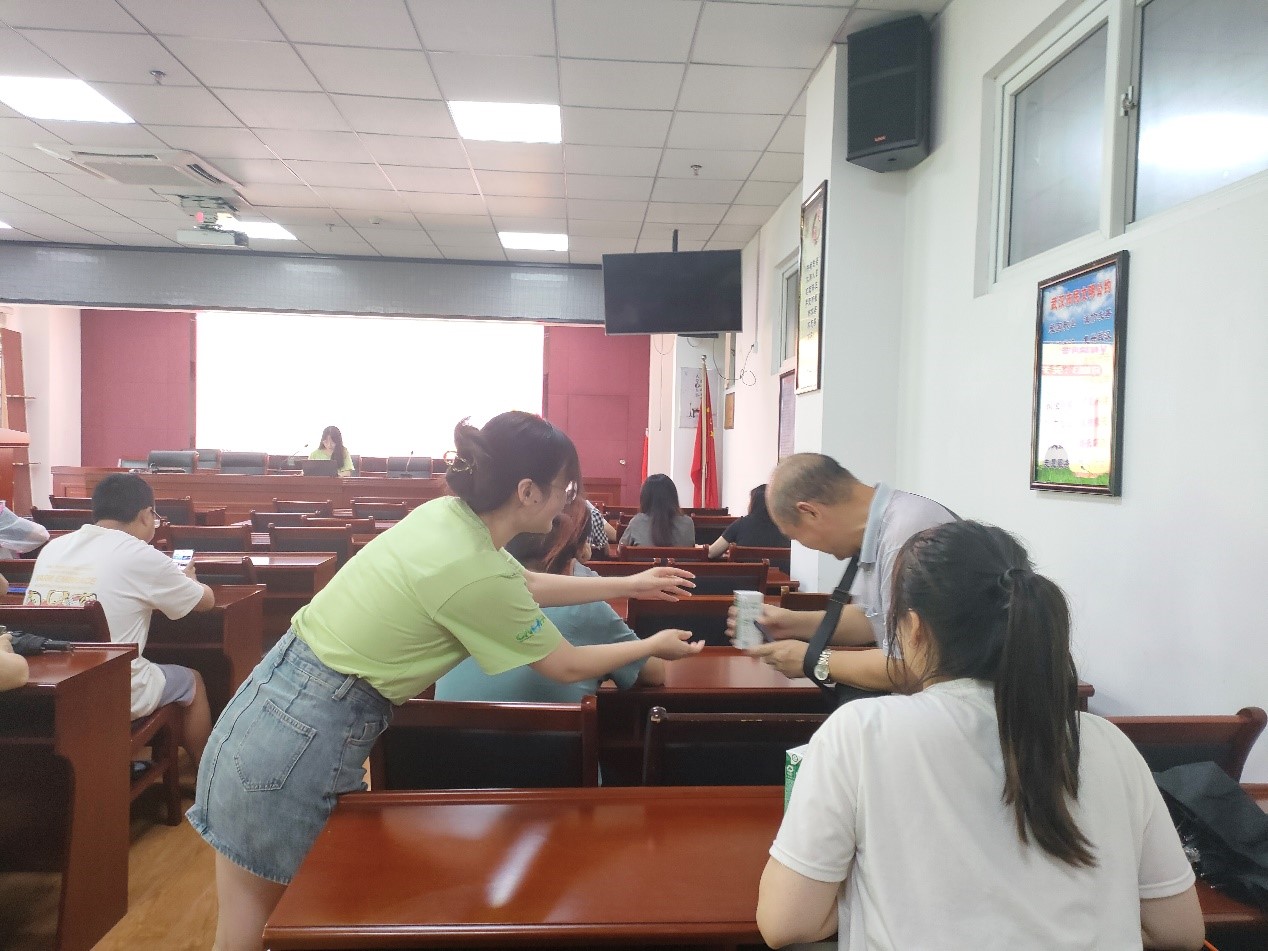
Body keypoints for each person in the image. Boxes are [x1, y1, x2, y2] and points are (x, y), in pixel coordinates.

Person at [189, 411, 701, 951]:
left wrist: (629, 583)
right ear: (527, 491)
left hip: (259, 715)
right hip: (302, 747)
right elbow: (566, 665)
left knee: (243, 927)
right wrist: (650, 644)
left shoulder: (447, 519)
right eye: (564, 490)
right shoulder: (474, 568)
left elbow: (521, 583)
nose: (567, 505)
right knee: (322, 929)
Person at [756, 520, 1204, 951]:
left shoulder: (861, 732)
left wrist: (861, 896)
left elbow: (785, 923)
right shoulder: (1106, 742)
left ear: (914, 628)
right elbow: (1179, 930)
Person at [23, 473, 216, 761]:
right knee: (193, 681)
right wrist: (191, 580)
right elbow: (206, 602)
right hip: (110, 691)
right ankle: (207, 777)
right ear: (146, 515)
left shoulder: (54, 547)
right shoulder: (141, 555)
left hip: (45, 688)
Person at [742, 453, 955, 693]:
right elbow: (874, 619)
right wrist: (791, 623)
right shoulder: (883, 526)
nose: (805, 546)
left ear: (810, 512)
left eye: (795, 536)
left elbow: (914, 666)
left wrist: (814, 660)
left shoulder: (905, 537)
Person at [436, 499, 666, 703]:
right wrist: (654, 644)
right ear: (571, 561)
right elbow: (654, 674)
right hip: (552, 740)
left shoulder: (464, 594)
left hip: (448, 736)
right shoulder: (588, 609)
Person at [705, 483, 788, 558]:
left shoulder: (741, 524)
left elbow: (711, 553)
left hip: (748, 570)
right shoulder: (786, 527)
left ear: (754, 503)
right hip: (781, 571)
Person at [620, 473, 695, 547]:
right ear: (673, 497)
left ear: (645, 498)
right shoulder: (688, 524)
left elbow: (621, 550)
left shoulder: (637, 523)